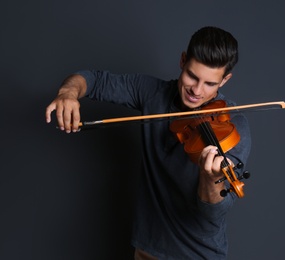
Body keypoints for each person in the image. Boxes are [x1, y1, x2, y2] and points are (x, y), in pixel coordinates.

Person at [45, 26, 251, 259]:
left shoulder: (233, 126)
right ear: (183, 60)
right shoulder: (152, 92)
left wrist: (211, 180)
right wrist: (68, 94)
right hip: (147, 250)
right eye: (192, 76)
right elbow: (94, 80)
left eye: (210, 84)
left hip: (197, 255)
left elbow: (213, 213)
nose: (196, 90)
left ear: (225, 80)